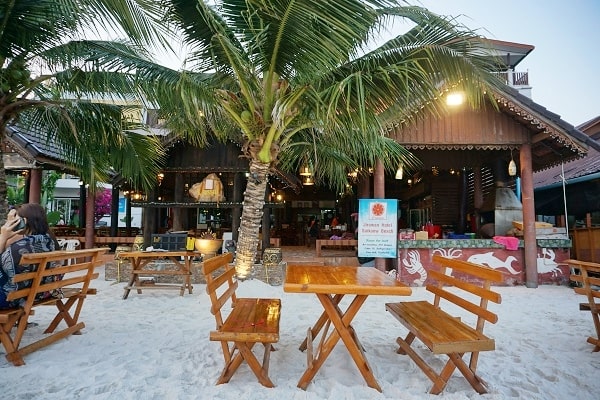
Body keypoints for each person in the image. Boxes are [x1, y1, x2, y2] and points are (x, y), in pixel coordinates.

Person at [0, 204, 60, 309]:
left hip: (11, 299)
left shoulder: (18, 249)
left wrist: (3, 237)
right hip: (38, 294)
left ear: (24, 221)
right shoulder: (49, 243)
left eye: (16, 219)